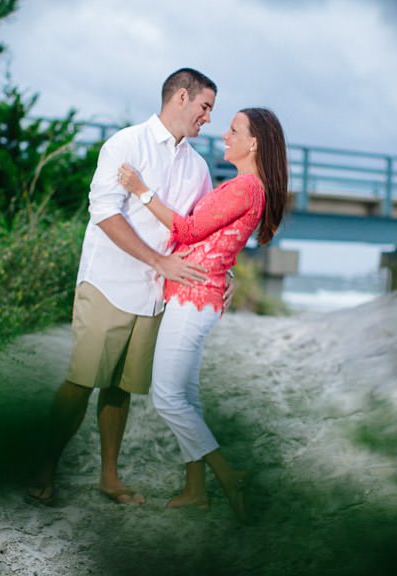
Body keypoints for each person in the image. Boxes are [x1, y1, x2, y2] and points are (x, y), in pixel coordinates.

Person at [28, 68, 225, 505]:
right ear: (180, 97)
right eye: (205, 106)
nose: (208, 117)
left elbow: (199, 230)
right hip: (108, 283)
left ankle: (109, 478)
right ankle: (43, 469)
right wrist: (157, 259)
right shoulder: (125, 144)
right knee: (82, 380)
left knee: (119, 388)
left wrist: (219, 269)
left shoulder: (198, 166)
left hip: (155, 294)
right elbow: (104, 212)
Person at [117, 107, 288, 520]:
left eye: (233, 130)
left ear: (254, 143)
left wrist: (141, 190)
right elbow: (220, 242)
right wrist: (225, 272)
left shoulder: (246, 188)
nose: (224, 135)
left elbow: (188, 231)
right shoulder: (247, 187)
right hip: (199, 295)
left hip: (193, 300)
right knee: (187, 397)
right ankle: (195, 489)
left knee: (168, 397)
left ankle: (228, 475)